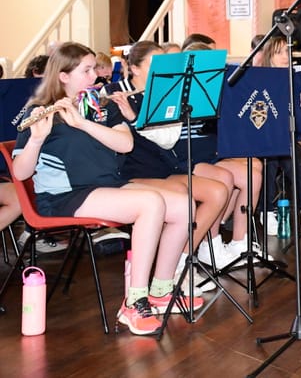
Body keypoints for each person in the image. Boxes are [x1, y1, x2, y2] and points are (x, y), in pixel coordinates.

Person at [11, 42, 202, 335]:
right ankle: (134, 302)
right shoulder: (40, 112)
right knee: (151, 203)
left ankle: (161, 290)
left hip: (108, 186)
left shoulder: (102, 106)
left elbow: (125, 144)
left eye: (94, 69)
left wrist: (83, 124)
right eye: (86, 70)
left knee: (183, 205)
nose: (95, 76)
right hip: (66, 196)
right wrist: (36, 140)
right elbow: (20, 172)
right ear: (63, 76)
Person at [108, 40, 234, 282]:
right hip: (134, 172)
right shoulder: (117, 93)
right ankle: (171, 270)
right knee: (183, 199)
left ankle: (181, 259)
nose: (162, 69)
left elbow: (168, 140)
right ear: (134, 68)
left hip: (165, 168)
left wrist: (135, 119)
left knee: (218, 192)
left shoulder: (165, 94)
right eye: (154, 64)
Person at [257, 36, 301, 236]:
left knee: (292, 158)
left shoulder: (294, 79)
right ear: (269, 56)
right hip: (265, 140)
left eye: (287, 52)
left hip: (289, 139)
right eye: (279, 52)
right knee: (270, 160)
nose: (285, 56)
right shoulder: (261, 80)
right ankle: (266, 211)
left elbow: (298, 120)